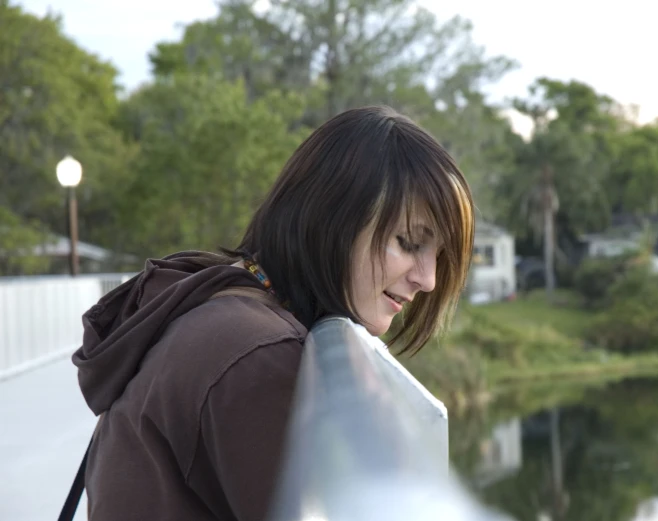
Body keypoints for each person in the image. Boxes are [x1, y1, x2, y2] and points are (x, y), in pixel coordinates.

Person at [71, 105, 475, 521]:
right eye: (409, 242)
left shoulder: (223, 304)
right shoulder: (259, 357)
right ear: (332, 219)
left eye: (439, 255)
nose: (428, 279)